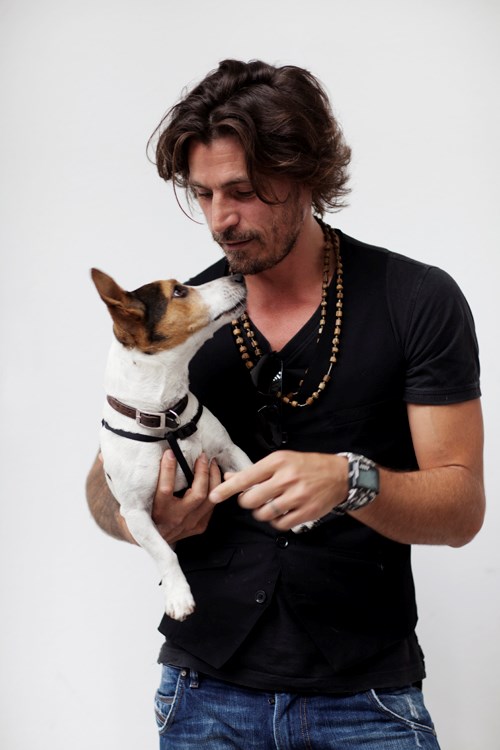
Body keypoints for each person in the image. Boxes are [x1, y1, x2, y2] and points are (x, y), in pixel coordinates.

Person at [86, 59, 485, 749]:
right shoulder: (180, 324)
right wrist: (146, 523)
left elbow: (461, 510)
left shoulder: (416, 300)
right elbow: (103, 485)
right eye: (203, 193)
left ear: (305, 174)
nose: (221, 219)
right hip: (202, 698)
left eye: (242, 191)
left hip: (368, 702)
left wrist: (352, 480)